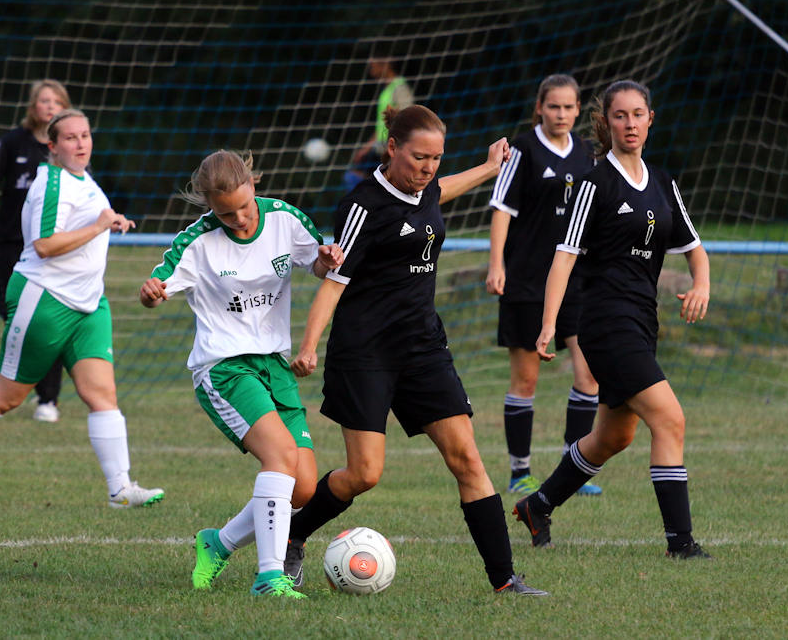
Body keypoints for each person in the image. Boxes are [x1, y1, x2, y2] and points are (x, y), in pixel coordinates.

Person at [287, 104, 547, 595]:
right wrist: (308, 346)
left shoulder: (425, 186)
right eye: (419, 157)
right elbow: (334, 285)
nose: (428, 168)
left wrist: (491, 168)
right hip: (365, 353)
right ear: (392, 149)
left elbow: (438, 193)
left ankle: (505, 582)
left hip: (424, 348)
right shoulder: (363, 206)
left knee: (467, 459)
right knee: (364, 474)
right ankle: (295, 534)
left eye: (436, 158)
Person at [0, 109, 165, 508]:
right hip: (44, 297)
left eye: (85, 135)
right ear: (52, 146)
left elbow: (87, 222)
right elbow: (46, 244)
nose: (80, 143)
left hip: (88, 304)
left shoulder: (85, 182)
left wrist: (111, 220)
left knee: (102, 395)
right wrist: (99, 225)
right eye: (70, 138)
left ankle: (120, 488)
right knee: (7, 397)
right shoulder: (50, 182)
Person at [513, 80, 712, 559]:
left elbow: (694, 249)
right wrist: (547, 325)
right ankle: (680, 543)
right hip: (604, 322)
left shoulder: (663, 183)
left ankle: (538, 505)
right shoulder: (595, 183)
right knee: (670, 419)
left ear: (650, 119)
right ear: (606, 123)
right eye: (620, 116)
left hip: (644, 321)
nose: (630, 124)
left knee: (613, 436)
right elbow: (563, 257)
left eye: (638, 114)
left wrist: (702, 284)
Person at [139, 150, 343, 599]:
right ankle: (270, 576)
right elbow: (157, 289)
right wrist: (152, 293)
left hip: (275, 365)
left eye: (245, 209)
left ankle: (219, 542)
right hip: (225, 368)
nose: (240, 220)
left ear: (254, 186)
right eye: (225, 214)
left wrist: (327, 258)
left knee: (304, 487)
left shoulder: (286, 219)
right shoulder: (197, 241)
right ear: (209, 205)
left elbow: (318, 264)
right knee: (280, 459)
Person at [485, 74, 601, 497]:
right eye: (554, 106)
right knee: (526, 382)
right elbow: (501, 209)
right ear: (540, 108)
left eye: (570, 107)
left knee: (589, 376)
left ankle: (574, 467)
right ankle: (521, 471)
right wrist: (497, 264)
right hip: (527, 281)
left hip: (578, 281)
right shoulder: (523, 150)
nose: (563, 115)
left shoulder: (588, 152)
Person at [0, 79, 73, 423]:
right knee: (13, 317)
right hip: (9, 245)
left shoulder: (66, 149)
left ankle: (47, 400)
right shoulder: (11, 143)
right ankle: (11, 391)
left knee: (46, 319)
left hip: (51, 250)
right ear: (33, 107)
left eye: (56, 101)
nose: (49, 106)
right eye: (43, 100)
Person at [343, 56, 414, 189]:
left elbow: (407, 119)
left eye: (373, 66)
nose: (371, 71)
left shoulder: (399, 88)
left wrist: (396, 148)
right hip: (380, 147)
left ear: (385, 64)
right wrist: (366, 148)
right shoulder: (387, 90)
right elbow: (382, 125)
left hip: (390, 149)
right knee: (356, 180)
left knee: (357, 181)